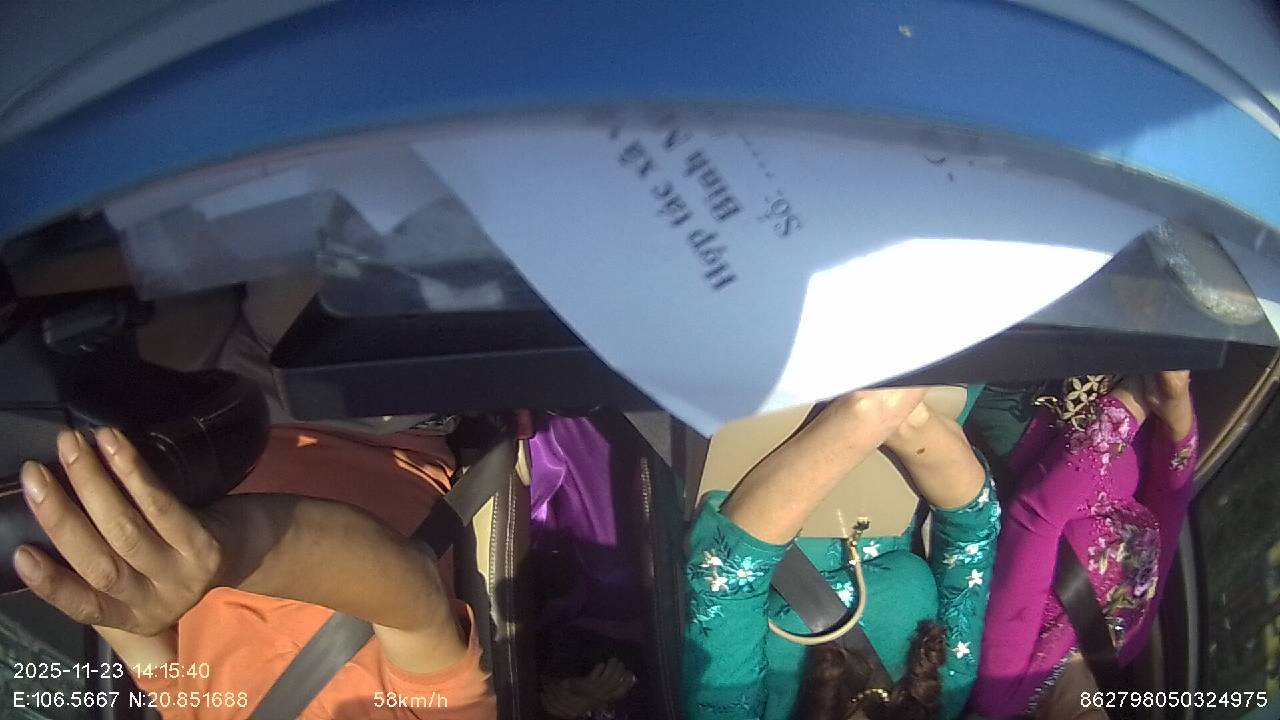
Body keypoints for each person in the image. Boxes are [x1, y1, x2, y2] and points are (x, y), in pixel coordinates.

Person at [10, 423, 498, 719]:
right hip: (364, 417)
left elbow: (131, 620)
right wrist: (228, 546)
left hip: (190, 429)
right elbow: (410, 598)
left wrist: (73, 543)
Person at [683, 387, 1001, 720]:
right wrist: (913, 424)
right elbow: (971, 533)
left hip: (765, 429)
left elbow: (726, 575)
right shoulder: (941, 699)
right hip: (907, 437)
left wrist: (860, 422)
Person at [969, 371, 1198, 719]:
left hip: (1026, 409)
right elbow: (1170, 500)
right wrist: (1176, 409)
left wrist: (1129, 405)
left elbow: (1034, 516)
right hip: (1108, 396)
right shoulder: (1129, 642)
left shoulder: (1005, 689)